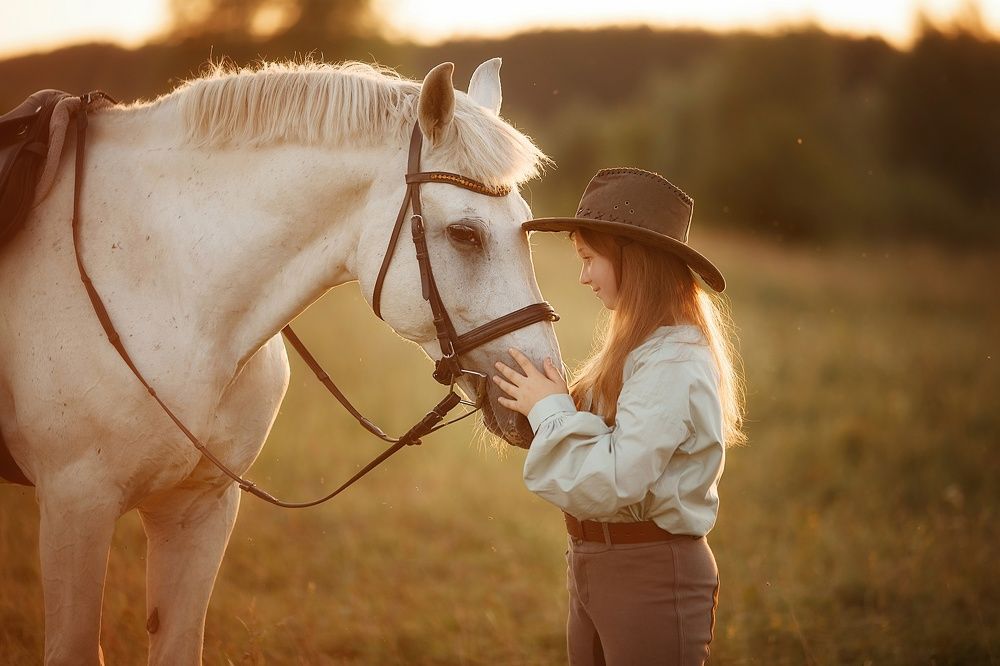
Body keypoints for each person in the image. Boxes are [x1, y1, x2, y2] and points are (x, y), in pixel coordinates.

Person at [493, 167, 746, 665]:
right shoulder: (638, 350)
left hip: (650, 571)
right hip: (594, 561)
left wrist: (549, 412)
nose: (582, 275)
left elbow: (616, 476)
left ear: (633, 259)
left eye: (589, 259)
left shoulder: (674, 359)